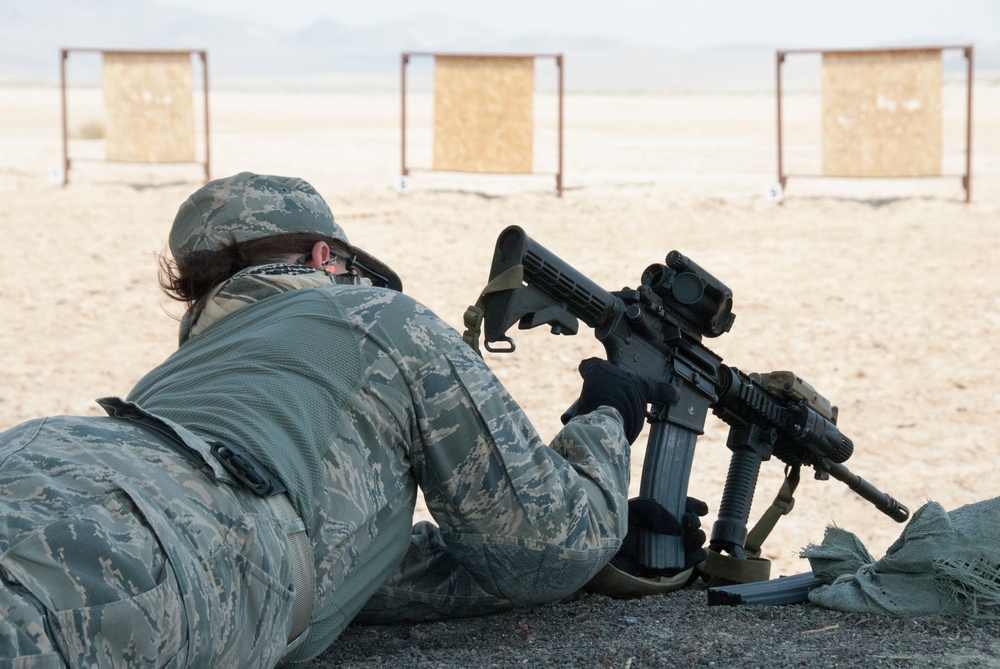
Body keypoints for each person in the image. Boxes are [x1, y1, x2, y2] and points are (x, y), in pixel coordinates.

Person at [0, 172, 704, 668]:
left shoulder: (170, 383)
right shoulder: (376, 318)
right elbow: (546, 543)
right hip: (161, 525)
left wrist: (606, 550)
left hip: (45, 449)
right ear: (321, 258)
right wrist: (607, 418)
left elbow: (347, 564)